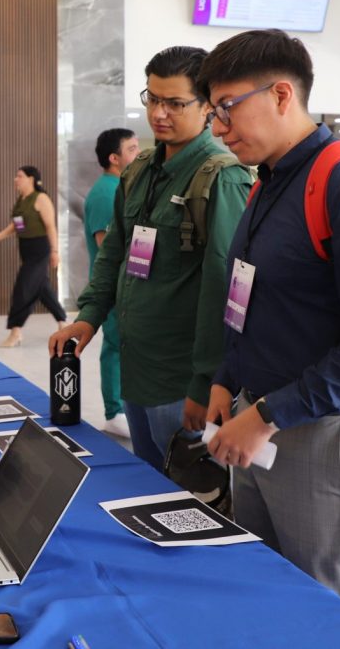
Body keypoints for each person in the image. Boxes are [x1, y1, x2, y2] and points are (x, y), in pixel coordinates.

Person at [200, 29, 340, 618]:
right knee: (269, 598)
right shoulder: (270, 182)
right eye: (214, 112)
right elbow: (252, 296)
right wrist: (228, 378)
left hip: (324, 434)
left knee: (329, 613)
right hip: (259, 421)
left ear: (281, 94)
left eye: (227, 108)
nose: (218, 128)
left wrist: (266, 415)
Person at [49, 46, 252, 468]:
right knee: (146, 487)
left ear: (207, 107)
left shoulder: (221, 178)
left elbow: (224, 288)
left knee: (187, 495)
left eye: (175, 103)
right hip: (137, 369)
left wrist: (206, 382)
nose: (159, 113)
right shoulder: (139, 170)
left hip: (181, 380)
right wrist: (89, 316)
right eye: (153, 98)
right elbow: (113, 254)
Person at [84, 128, 141, 438]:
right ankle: (114, 411)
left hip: (128, 286)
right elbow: (109, 246)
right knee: (115, 345)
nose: (138, 154)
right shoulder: (107, 192)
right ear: (114, 158)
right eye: (132, 149)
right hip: (116, 287)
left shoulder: (120, 186)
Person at [0, 166, 68, 347]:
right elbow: (17, 226)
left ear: (31, 179)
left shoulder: (41, 198)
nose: (16, 179)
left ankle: (15, 331)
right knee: (42, 288)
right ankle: (63, 321)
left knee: (23, 288)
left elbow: (50, 227)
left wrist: (55, 251)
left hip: (40, 250)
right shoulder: (21, 201)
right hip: (26, 249)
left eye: (20, 176)